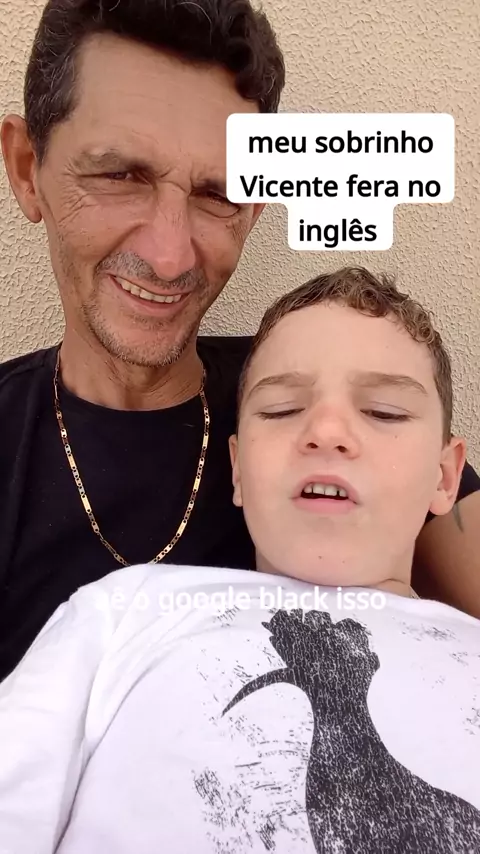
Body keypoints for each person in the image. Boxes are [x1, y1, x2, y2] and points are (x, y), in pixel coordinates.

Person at [0, 0, 479, 686]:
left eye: (218, 193)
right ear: (26, 168)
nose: (169, 256)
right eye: (119, 175)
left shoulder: (323, 388)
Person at [0, 267, 479, 854]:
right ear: (237, 470)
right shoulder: (125, 608)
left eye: (383, 412)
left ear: (446, 477)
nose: (326, 431)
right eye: (281, 409)